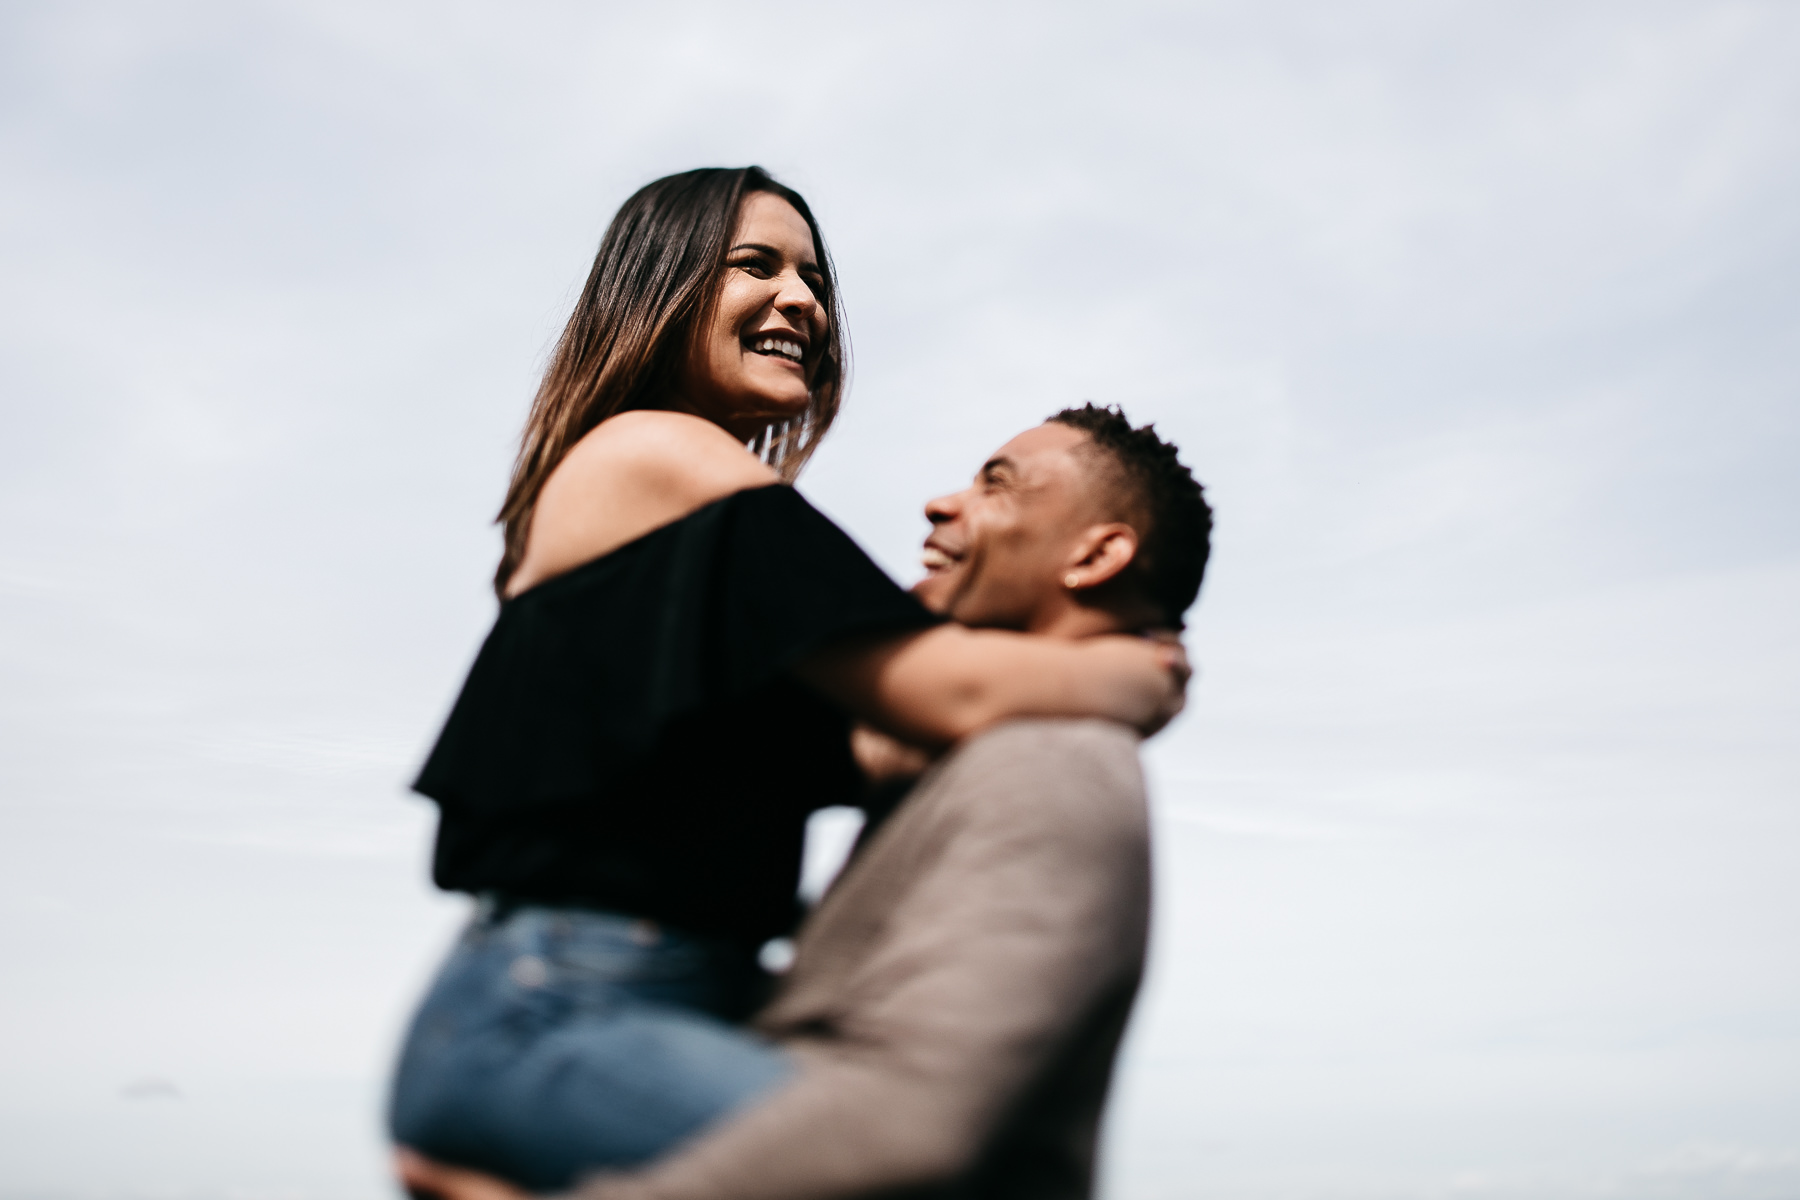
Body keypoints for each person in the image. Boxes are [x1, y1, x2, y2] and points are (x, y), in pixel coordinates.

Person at [388, 164, 1189, 1193]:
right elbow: (950, 693)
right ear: (662, 286)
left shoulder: (689, 527)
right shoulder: (662, 453)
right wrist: (1139, 675)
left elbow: (876, 743)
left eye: (814, 278)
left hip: (643, 998)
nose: (802, 301)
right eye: (755, 266)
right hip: (560, 1008)